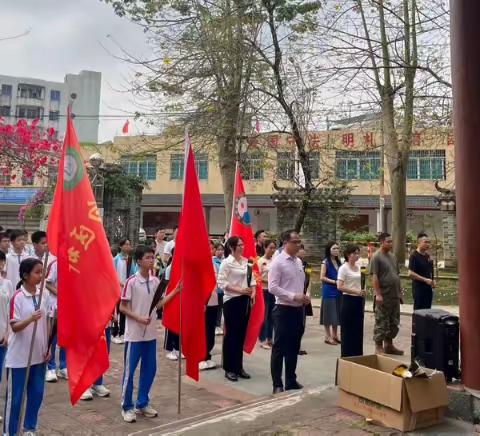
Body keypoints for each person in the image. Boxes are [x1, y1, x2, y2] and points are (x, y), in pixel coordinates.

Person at [119, 245, 179, 423]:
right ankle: (127, 406)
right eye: (148, 258)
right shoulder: (131, 282)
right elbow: (122, 307)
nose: (152, 260)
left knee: (150, 369)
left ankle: (142, 402)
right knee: (130, 372)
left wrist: (176, 291)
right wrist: (137, 318)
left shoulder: (155, 282)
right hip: (134, 335)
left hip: (150, 334)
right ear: (139, 261)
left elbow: (159, 305)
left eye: (153, 257)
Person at [4, 258, 50, 435]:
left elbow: (46, 323)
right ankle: (11, 431)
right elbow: (14, 326)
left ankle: (30, 427)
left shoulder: (42, 295)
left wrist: (48, 348)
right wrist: (31, 318)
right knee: (15, 399)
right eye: (37, 272)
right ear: (25, 275)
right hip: (19, 357)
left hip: (39, 355)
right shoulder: (17, 297)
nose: (41, 276)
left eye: (42, 272)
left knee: (37, 394)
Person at [268, 230, 310, 394]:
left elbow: (299, 284)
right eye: (296, 241)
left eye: (299, 241)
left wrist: (304, 296)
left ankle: (291, 379)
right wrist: (293, 296)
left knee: (294, 346)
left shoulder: (298, 261)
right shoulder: (278, 262)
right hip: (283, 309)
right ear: (286, 242)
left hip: (298, 310)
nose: (299, 244)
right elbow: (272, 287)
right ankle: (277, 383)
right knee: (279, 347)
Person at [217, 236, 256, 382]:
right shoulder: (226, 263)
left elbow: (251, 280)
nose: (242, 247)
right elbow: (221, 283)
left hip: (245, 301)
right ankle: (229, 368)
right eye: (239, 245)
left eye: (243, 244)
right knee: (231, 335)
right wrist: (240, 290)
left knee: (241, 335)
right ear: (232, 247)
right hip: (231, 300)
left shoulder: (247, 262)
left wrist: (252, 292)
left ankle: (239, 367)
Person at [370, 232, 404, 355]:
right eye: (388, 242)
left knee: (393, 322)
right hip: (383, 296)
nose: (390, 244)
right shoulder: (376, 257)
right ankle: (378, 346)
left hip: (394, 295)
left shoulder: (393, 256)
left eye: (391, 241)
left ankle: (389, 345)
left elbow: (397, 275)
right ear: (381, 242)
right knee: (381, 322)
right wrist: (378, 294)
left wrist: (400, 293)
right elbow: (374, 277)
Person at [337, 244, 366, 357]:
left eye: (358, 253)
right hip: (348, 300)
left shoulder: (359, 267)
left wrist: (362, 291)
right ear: (348, 255)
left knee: (358, 329)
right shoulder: (343, 268)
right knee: (348, 330)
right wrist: (356, 292)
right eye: (354, 253)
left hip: (359, 301)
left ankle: (358, 354)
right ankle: (347, 355)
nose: (357, 255)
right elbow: (340, 286)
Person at [44, 259, 67, 383]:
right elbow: (47, 283)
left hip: (69, 306)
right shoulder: (55, 264)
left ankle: (63, 366)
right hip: (55, 306)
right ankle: (50, 367)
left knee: (66, 337)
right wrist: (61, 294)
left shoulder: (76, 262)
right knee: (52, 337)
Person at [199, 242, 220, 371]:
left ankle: (207, 355)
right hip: (202, 303)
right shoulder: (199, 264)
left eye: (212, 248)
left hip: (214, 301)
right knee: (202, 330)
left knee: (210, 330)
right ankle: (200, 356)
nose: (211, 250)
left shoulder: (214, 264)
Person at [112, 239, 136, 345]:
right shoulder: (116, 259)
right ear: (121, 246)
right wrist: (119, 283)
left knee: (124, 311)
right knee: (116, 311)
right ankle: (115, 333)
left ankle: (122, 332)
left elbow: (133, 273)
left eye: (129, 244)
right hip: (117, 289)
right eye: (126, 244)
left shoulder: (130, 259)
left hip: (126, 290)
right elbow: (112, 274)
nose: (128, 246)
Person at [320, 242, 342, 345]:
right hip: (329, 290)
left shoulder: (339, 262)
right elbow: (322, 277)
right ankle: (327, 336)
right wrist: (334, 282)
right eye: (334, 248)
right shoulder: (325, 262)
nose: (336, 250)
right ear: (329, 250)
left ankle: (335, 335)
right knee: (328, 314)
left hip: (338, 290)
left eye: (337, 248)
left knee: (336, 314)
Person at [163, 250, 182, 361]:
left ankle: (177, 348)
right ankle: (170, 349)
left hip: (180, 299)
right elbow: (167, 285)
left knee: (179, 324)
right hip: (171, 298)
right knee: (171, 324)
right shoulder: (170, 268)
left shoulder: (183, 267)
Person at [408, 233, 435, 310]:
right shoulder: (414, 256)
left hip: (428, 290)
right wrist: (425, 280)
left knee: (427, 313)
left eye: (428, 242)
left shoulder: (427, 256)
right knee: (419, 313)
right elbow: (410, 273)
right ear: (418, 243)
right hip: (419, 290)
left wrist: (433, 281)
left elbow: (429, 271)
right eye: (425, 242)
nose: (427, 244)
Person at [0, 251, 13, 411]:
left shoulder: (7, 284)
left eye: (2, 261)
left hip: (2, 336)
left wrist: (8, 332)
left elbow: (10, 311)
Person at [258, 239, 277, 350]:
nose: (272, 250)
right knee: (264, 316)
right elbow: (257, 277)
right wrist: (269, 282)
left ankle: (270, 338)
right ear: (265, 248)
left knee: (272, 316)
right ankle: (263, 339)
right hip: (264, 291)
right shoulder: (260, 261)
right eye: (270, 247)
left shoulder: (275, 261)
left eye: (274, 247)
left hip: (273, 291)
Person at [297, 245, 313, 355]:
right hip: (297, 296)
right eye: (300, 251)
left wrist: (308, 293)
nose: (302, 253)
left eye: (303, 252)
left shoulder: (307, 266)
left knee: (302, 323)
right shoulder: (293, 264)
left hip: (305, 295)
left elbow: (309, 279)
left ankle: (298, 345)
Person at [212, 243, 225, 335]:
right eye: (218, 250)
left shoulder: (225, 261)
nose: (220, 252)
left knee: (220, 307)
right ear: (214, 250)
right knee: (215, 308)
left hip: (223, 289)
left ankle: (218, 325)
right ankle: (214, 325)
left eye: (222, 250)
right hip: (215, 289)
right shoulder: (212, 261)